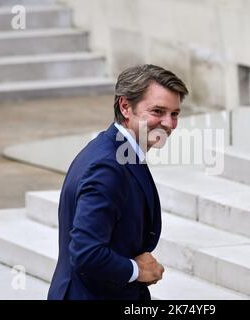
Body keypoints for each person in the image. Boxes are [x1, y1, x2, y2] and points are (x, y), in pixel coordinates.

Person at [47, 64, 189, 300]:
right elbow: (86, 253)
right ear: (125, 106)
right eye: (158, 111)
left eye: (174, 114)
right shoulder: (107, 167)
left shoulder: (117, 150)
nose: (169, 124)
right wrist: (138, 270)